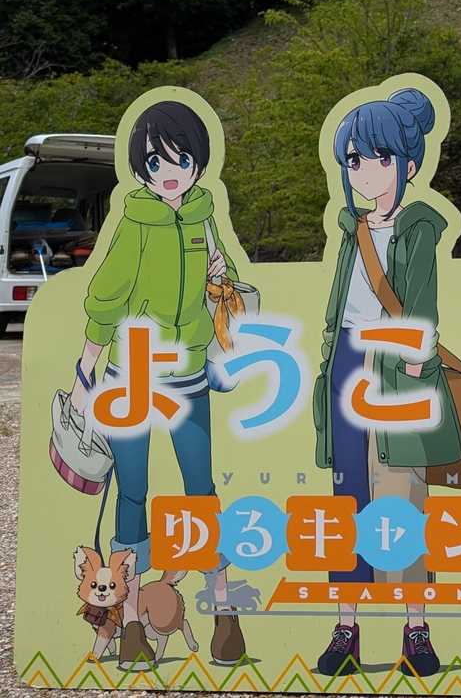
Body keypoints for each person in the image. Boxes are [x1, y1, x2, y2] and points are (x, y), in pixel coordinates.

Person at [71, 100, 247, 670]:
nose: (169, 172)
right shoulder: (135, 220)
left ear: (198, 162)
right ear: (139, 167)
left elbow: (222, 276)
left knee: (201, 491)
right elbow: (107, 294)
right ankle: (129, 626)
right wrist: (86, 369)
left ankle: (224, 616)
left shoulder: (202, 215)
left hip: (189, 375)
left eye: (181, 159)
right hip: (132, 377)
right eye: (155, 161)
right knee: (133, 493)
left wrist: (221, 280)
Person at [311, 88, 459, 678]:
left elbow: (422, 302)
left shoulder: (419, 228)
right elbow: (336, 304)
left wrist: (415, 365)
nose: (365, 172)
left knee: (402, 498)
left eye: (379, 158)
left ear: (408, 165)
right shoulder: (351, 230)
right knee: (348, 499)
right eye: (355, 160)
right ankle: (345, 628)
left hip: (397, 367)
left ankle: (415, 630)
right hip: (349, 363)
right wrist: (330, 357)